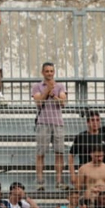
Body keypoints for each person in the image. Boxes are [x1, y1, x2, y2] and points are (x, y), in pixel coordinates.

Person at [32, 62, 68, 191]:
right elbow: (39, 102)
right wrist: (48, 90)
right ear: (43, 72)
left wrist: (55, 96)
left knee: (59, 152)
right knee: (40, 153)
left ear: (54, 72)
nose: (49, 73)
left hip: (57, 123)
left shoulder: (60, 86)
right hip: (43, 123)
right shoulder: (37, 86)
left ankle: (59, 182)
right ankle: (40, 182)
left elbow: (63, 102)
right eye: (47, 71)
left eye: (51, 71)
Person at [70, 112, 105, 187]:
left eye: (97, 120)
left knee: (103, 196)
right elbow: (71, 156)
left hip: (102, 175)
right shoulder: (81, 137)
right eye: (92, 120)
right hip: (86, 175)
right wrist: (73, 174)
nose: (95, 123)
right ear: (88, 122)